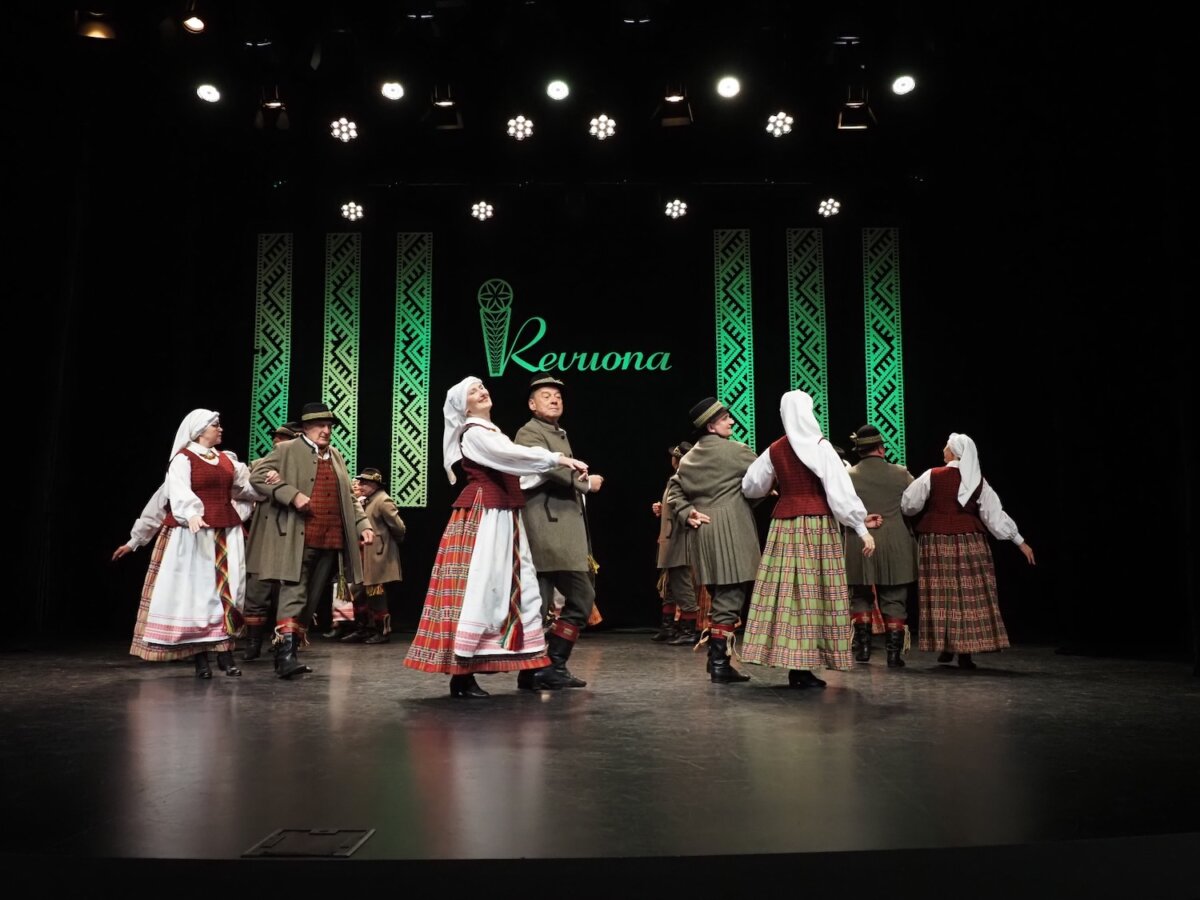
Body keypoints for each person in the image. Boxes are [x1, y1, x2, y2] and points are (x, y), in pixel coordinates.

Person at [404, 376, 590, 698]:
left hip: (503, 516)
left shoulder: (491, 431)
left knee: (514, 590)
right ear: (464, 407)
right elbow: (511, 455)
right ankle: (462, 676)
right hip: (484, 517)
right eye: (473, 391)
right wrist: (557, 459)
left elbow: (516, 464)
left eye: (482, 387)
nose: (481, 391)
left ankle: (535, 667)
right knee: (480, 588)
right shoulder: (474, 433)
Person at [739, 391, 876, 688]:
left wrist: (774, 487)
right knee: (815, 592)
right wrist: (860, 527)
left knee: (787, 594)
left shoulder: (774, 450)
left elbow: (751, 486)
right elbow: (839, 492)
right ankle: (804, 666)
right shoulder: (821, 447)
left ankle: (792, 661)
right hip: (817, 526)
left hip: (784, 526)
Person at [128, 409, 262, 678]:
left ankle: (225, 654)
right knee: (198, 596)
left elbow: (244, 489)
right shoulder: (183, 459)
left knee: (228, 592)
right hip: (194, 535)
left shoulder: (226, 460)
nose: (220, 429)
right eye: (215, 425)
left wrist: (267, 486)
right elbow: (177, 492)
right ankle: (201, 660)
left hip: (226, 532)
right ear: (200, 431)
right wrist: (190, 514)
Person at [246, 402, 374, 678]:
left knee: (310, 598)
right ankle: (286, 656)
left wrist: (363, 524)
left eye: (329, 426)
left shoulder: (336, 455)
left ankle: (284, 652)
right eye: (320, 426)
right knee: (294, 592)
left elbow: (349, 498)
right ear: (305, 427)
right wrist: (291, 495)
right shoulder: (287, 450)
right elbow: (256, 476)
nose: (326, 430)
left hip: (330, 539)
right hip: (298, 536)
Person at [900, 432, 1036, 669]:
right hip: (970, 541)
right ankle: (963, 652)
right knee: (968, 595)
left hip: (937, 541)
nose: (943, 450)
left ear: (953, 452)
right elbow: (994, 516)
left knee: (943, 595)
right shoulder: (977, 481)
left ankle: (948, 645)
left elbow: (909, 505)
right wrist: (1019, 540)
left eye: (946, 446)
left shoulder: (932, 475)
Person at [513, 374, 604, 688]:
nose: (554, 399)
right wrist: (585, 484)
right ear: (531, 404)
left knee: (578, 598)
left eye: (558, 396)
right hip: (545, 526)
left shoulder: (557, 432)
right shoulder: (529, 432)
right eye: (546, 395)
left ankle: (548, 665)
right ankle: (535, 669)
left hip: (563, 528)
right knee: (543, 602)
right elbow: (546, 465)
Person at [665, 397, 761, 684]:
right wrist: (755, 498)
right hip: (731, 530)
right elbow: (763, 478)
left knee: (720, 595)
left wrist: (687, 512)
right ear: (710, 426)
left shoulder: (688, 458)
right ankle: (719, 663)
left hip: (704, 532)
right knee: (730, 597)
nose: (731, 421)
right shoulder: (737, 451)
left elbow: (673, 491)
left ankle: (717, 661)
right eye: (725, 418)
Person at [845, 424, 918, 668]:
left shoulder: (848, 476)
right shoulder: (901, 473)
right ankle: (893, 654)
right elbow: (914, 504)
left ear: (859, 450)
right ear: (881, 449)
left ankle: (864, 649)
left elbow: (839, 507)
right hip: (895, 541)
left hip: (859, 541)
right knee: (895, 598)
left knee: (860, 595)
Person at [241, 422, 297, 660]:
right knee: (257, 589)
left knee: (288, 593)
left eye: (284, 438)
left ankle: (284, 643)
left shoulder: (300, 467)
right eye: (276, 438)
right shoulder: (258, 465)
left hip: (290, 533)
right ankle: (253, 643)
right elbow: (243, 489)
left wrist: (283, 480)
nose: (277, 441)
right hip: (263, 535)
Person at [338, 467, 407, 645]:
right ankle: (363, 629)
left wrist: (386, 544)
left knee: (377, 595)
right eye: (360, 482)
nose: (360, 486)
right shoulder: (366, 500)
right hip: (363, 555)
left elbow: (399, 527)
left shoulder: (383, 500)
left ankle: (382, 631)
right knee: (358, 593)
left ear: (375, 485)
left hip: (377, 555)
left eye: (365, 483)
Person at [650, 441, 700, 645]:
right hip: (670, 537)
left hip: (681, 538)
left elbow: (691, 508)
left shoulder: (688, 479)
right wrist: (663, 510)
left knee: (682, 583)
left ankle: (688, 630)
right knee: (670, 585)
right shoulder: (677, 478)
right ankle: (668, 627)